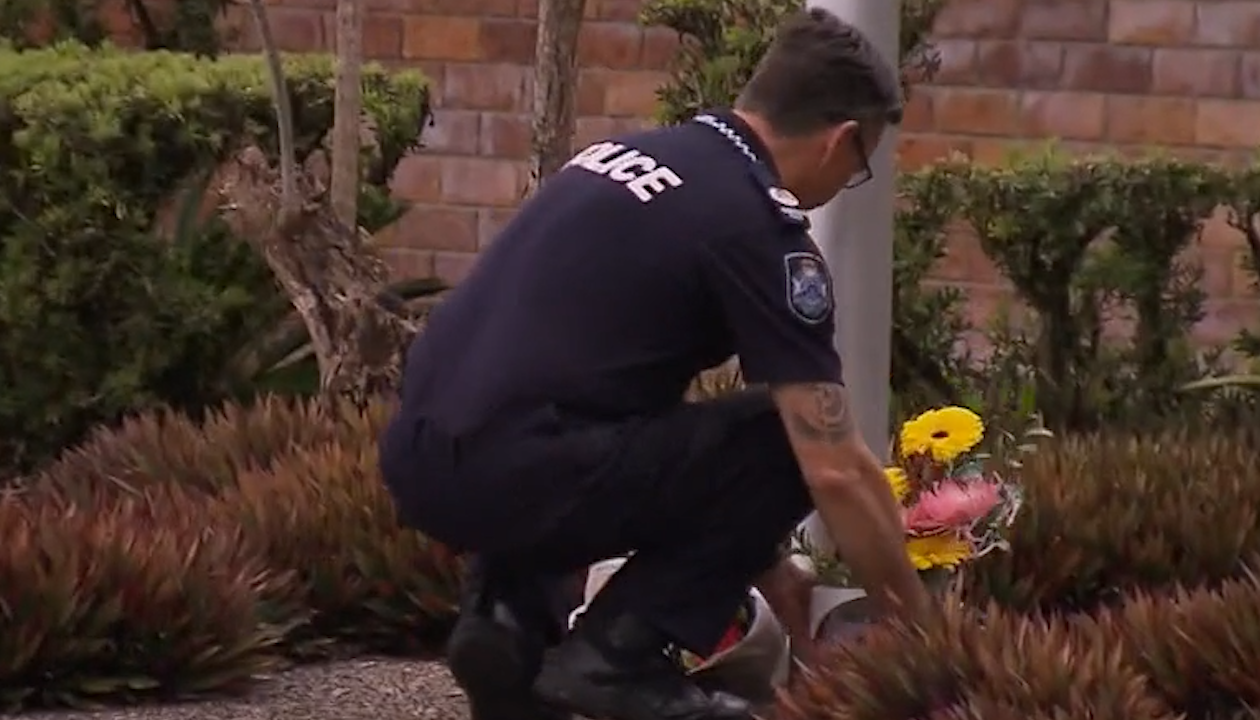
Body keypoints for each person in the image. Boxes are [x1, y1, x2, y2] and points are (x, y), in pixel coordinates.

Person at [377, 8, 933, 720]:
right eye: (861, 166)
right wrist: (921, 630)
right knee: (779, 442)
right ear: (842, 139)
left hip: (421, 461)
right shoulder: (757, 225)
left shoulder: (621, 159)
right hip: (523, 472)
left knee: (580, 412)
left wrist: (764, 562)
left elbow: (588, 381)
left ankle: (507, 625)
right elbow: (834, 468)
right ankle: (616, 657)